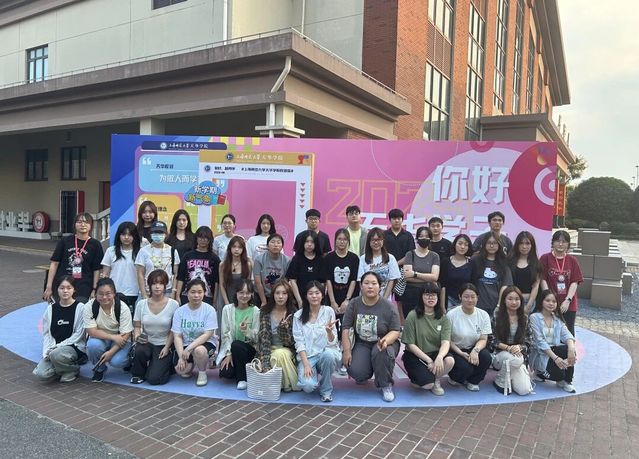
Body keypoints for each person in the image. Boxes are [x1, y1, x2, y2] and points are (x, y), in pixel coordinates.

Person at [342, 272, 401, 402]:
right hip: (362, 342)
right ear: (361, 286)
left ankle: (385, 384)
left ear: (380, 286)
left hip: (384, 342)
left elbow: (396, 330)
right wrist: (346, 351)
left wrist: (385, 341)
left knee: (381, 352)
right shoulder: (354, 303)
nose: (370, 286)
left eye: (374, 283)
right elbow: (346, 327)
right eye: (366, 283)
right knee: (356, 370)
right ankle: (365, 372)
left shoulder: (388, 306)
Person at [401, 283, 454, 396]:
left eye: (434, 295)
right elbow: (410, 344)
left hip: (435, 353)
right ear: (421, 297)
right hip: (416, 356)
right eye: (427, 294)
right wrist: (429, 360)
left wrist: (440, 357)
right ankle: (423, 380)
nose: (431, 298)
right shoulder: (412, 315)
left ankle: (436, 380)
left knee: (450, 361)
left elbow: (446, 342)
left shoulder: (443, 318)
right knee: (426, 385)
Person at [292, 281, 341, 402]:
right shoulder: (298, 316)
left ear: (322, 295)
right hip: (308, 357)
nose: (314, 296)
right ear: (306, 296)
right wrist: (306, 364)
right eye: (310, 293)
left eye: (317, 293)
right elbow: (299, 342)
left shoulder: (329, 311)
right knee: (308, 386)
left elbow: (333, 341)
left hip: (325, 352)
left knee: (329, 355)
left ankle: (326, 390)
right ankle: (312, 375)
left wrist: (329, 332)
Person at [33, 276, 87, 383]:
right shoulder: (51, 309)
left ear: (74, 290)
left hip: (73, 347)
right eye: (62, 288)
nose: (65, 291)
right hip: (54, 349)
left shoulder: (80, 307)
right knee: (41, 374)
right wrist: (46, 352)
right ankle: (63, 369)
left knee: (56, 355)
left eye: (69, 288)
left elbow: (79, 334)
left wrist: (57, 347)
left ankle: (73, 369)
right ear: (57, 290)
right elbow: (47, 334)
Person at [130, 270, 179, 385]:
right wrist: (137, 337)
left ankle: (167, 366)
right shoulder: (141, 304)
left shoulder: (174, 305)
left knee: (154, 379)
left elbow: (174, 330)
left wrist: (167, 347)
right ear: (149, 285)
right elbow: (137, 325)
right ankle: (138, 374)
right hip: (147, 342)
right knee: (140, 350)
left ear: (165, 285)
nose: (157, 287)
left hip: (164, 344)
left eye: (161, 283)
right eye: (154, 283)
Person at [44, 212, 104, 303]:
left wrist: (94, 289)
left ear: (91, 225)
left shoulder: (95, 244)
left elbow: (97, 269)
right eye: (79, 222)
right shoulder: (65, 241)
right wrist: (49, 287)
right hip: (63, 283)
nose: (83, 225)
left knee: (79, 308)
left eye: (86, 222)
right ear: (74, 224)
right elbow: (54, 263)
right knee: (61, 308)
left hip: (84, 286)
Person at [84, 278, 133, 383]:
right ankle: (99, 369)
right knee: (92, 345)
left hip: (122, 339)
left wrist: (111, 352)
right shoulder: (89, 306)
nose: (104, 297)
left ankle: (129, 362)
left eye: (108, 293)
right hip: (103, 338)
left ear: (114, 293)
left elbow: (126, 334)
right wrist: (113, 337)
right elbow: (91, 331)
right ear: (95, 294)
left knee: (117, 362)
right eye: (101, 294)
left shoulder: (122, 308)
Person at [528, 289, 577, 393]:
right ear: (541, 301)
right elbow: (540, 342)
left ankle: (567, 381)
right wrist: (556, 359)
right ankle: (540, 373)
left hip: (554, 352)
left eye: (554, 301)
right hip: (541, 354)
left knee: (569, 349)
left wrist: (571, 349)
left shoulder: (557, 319)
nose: (551, 303)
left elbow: (567, 334)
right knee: (559, 375)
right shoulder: (534, 317)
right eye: (548, 300)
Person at [171, 279, 218, 386]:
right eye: (193, 292)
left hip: (205, 344)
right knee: (181, 370)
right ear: (187, 293)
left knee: (199, 351)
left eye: (200, 292)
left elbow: (207, 334)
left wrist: (189, 349)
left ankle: (202, 372)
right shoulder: (179, 311)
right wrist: (181, 357)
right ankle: (191, 364)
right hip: (186, 344)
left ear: (204, 293)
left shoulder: (209, 310)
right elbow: (177, 336)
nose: (196, 295)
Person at [446, 283, 492, 391]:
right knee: (465, 368)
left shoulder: (483, 315)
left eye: (473, 297)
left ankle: (473, 381)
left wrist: (475, 350)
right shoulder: (451, 314)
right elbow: (447, 339)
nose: (470, 300)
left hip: (474, 347)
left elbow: (483, 339)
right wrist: (460, 353)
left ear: (477, 298)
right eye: (466, 297)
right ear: (460, 297)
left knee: (486, 357)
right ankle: (455, 378)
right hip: (456, 349)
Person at [256, 279, 299, 392]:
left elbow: (292, 343)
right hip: (269, 349)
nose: (280, 297)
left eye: (284, 293)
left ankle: (281, 385)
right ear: (273, 294)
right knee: (277, 356)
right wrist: (265, 363)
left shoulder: (293, 313)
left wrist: (283, 329)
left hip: (288, 350)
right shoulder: (265, 312)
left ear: (288, 296)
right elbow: (264, 339)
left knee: (281, 354)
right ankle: (287, 385)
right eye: (277, 293)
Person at [217, 280, 260, 390]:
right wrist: (228, 354)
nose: (244, 296)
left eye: (248, 293)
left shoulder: (256, 311)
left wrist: (247, 331)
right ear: (236, 293)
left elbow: (257, 337)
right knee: (226, 373)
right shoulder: (227, 309)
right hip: (232, 349)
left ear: (252, 294)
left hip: (249, 350)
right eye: (241, 292)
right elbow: (225, 334)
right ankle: (242, 370)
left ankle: (242, 379)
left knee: (236, 344)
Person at [539, 230, 583, 336]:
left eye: (564, 242)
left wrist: (568, 300)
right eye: (558, 241)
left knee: (568, 331)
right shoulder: (545, 258)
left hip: (568, 304)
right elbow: (542, 279)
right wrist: (548, 299)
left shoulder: (572, 260)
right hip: (550, 303)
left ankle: (569, 347)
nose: (560, 244)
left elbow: (575, 281)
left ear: (568, 244)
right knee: (549, 332)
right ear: (553, 242)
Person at [491, 286, 533, 395]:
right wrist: (508, 348)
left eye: (517, 299)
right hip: (500, 355)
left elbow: (529, 342)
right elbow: (491, 340)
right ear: (504, 300)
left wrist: (519, 347)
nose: (513, 302)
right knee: (516, 359)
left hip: (518, 355)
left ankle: (510, 376)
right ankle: (500, 381)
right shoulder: (496, 315)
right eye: (510, 299)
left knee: (524, 390)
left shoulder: (524, 318)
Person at [399, 226, 440, 319]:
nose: (424, 238)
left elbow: (435, 277)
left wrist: (415, 274)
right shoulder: (410, 254)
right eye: (421, 236)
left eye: (426, 236)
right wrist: (428, 279)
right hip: (411, 294)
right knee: (411, 320)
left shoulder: (434, 256)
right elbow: (407, 277)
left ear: (430, 239)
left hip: (429, 293)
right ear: (417, 239)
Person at [470, 232, 513, 318]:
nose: (492, 246)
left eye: (495, 243)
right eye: (489, 243)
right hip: (477, 305)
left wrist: (499, 305)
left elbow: (505, 285)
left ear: (499, 245)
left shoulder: (504, 262)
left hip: (496, 305)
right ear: (484, 244)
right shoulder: (475, 259)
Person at [101, 221, 141, 313]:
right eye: (123, 234)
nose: (126, 237)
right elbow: (105, 274)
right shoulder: (111, 251)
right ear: (119, 235)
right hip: (114, 293)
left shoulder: (140, 252)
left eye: (130, 235)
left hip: (135, 293)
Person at [175, 226, 220, 305]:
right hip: (187, 296)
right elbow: (180, 277)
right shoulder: (187, 256)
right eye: (200, 237)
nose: (203, 240)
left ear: (210, 240)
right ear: (196, 238)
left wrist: (215, 300)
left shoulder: (214, 258)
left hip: (206, 297)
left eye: (205, 238)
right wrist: (177, 295)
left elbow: (217, 281)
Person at [135, 221, 180, 299]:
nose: (158, 235)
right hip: (148, 291)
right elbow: (140, 274)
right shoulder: (143, 251)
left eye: (161, 233)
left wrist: (173, 292)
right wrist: (144, 294)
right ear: (151, 234)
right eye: (155, 232)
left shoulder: (172, 251)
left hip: (167, 292)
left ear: (166, 234)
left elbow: (176, 274)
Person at [357, 227, 401, 299]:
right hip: (367, 298)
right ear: (369, 242)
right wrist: (367, 298)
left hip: (385, 298)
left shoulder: (391, 258)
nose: (376, 242)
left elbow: (392, 280)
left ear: (383, 241)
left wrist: (384, 299)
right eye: (373, 240)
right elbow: (360, 281)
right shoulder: (363, 259)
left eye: (378, 240)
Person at [286, 230, 326, 306]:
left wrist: (318, 299)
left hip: (316, 299)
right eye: (307, 241)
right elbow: (292, 280)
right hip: (299, 299)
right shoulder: (297, 258)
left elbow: (322, 283)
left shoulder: (321, 259)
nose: (309, 244)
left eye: (312, 242)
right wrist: (299, 301)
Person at [509, 231, 542, 314]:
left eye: (527, 243)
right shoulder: (509, 262)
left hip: (529, 302)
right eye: (521, 243)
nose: (524, 246)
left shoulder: (536, 263)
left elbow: (536, 286)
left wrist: (529, 306)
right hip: (512, 301)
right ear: (517, 245)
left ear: (532, 245)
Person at [254, 233, 291, 307]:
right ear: (267, 246)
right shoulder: (259, 259)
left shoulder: (287, 260)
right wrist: (263, 301)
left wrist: (280, 296)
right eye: (273, 242)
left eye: (278, 242)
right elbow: (258, 282)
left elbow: (286, 282)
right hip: (261, 295)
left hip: (279, 295)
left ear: (282, 246)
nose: (275, 245)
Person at [440, 234, 473, 308]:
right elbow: (442, 286)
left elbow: (473, 286)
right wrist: (442, 306)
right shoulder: (445, 262)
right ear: (455, 244)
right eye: (460, 243)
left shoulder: (472, 264)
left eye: (466, 245)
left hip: (465, 300)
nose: (462, 247)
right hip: (448, 299)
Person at [219, 235, 253, 307]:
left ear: (243, 249)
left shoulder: (247, 265)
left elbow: (248, 285)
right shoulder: (223, 265)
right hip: (227, 300)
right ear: (230, 248)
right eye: (234, 246)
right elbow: (222, 285)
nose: (236, 249)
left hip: (243, 301)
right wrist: (227, 303)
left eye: (239, 247)